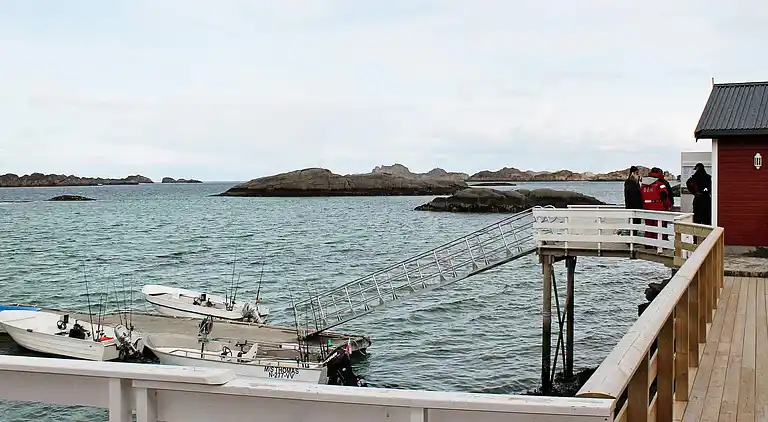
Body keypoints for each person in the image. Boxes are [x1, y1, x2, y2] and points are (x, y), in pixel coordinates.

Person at [640, 167, 672, 240]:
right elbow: (664, 195)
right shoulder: (661, 184)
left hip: (646, 208)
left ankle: (648, 243)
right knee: (659, 227)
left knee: (648, 226)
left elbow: (640, 196)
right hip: (658, 208)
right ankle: (660, 243)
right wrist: (668, 206)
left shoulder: (643, 185)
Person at [624, 166, 642, 235]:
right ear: (632, 173)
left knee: (635, 224)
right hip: (633, 206)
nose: (638, 174)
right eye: (636, 173)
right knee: (634, 223)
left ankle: (633, 238)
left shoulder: (634, 182)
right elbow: (632, 194)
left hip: (634, 206)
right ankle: (632, 239)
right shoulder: (630, 182)